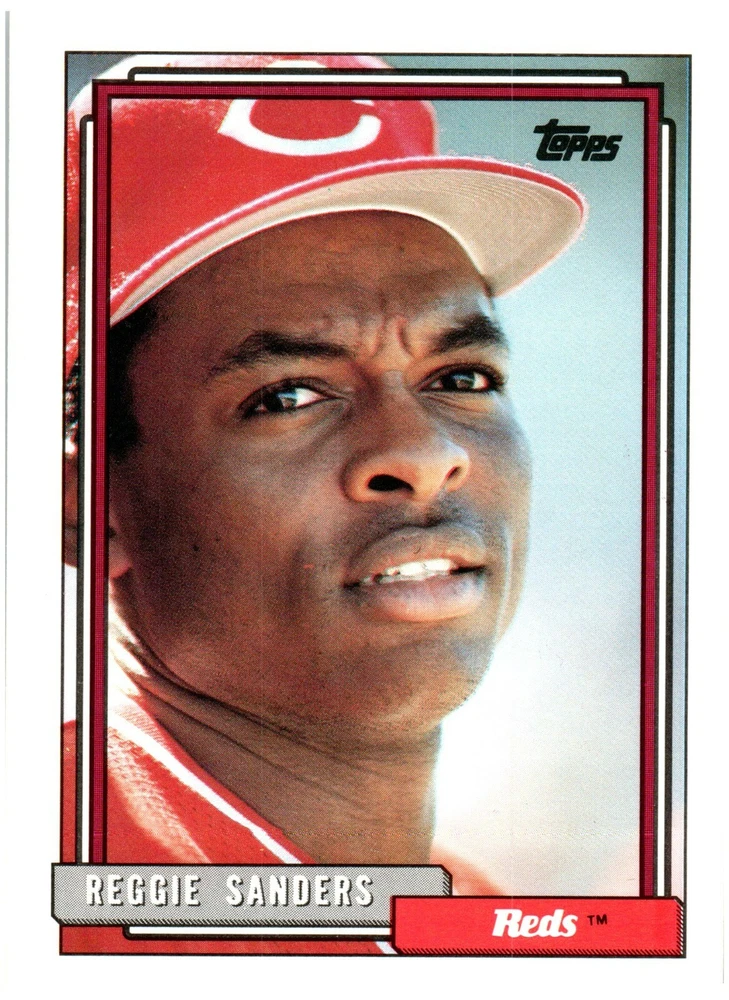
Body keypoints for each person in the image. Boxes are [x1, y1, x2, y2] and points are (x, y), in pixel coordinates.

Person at [62, 53, 586, 954]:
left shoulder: (477, 922)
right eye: (289, 395)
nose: (424, 454)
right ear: (87, 506)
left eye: (460, 377)